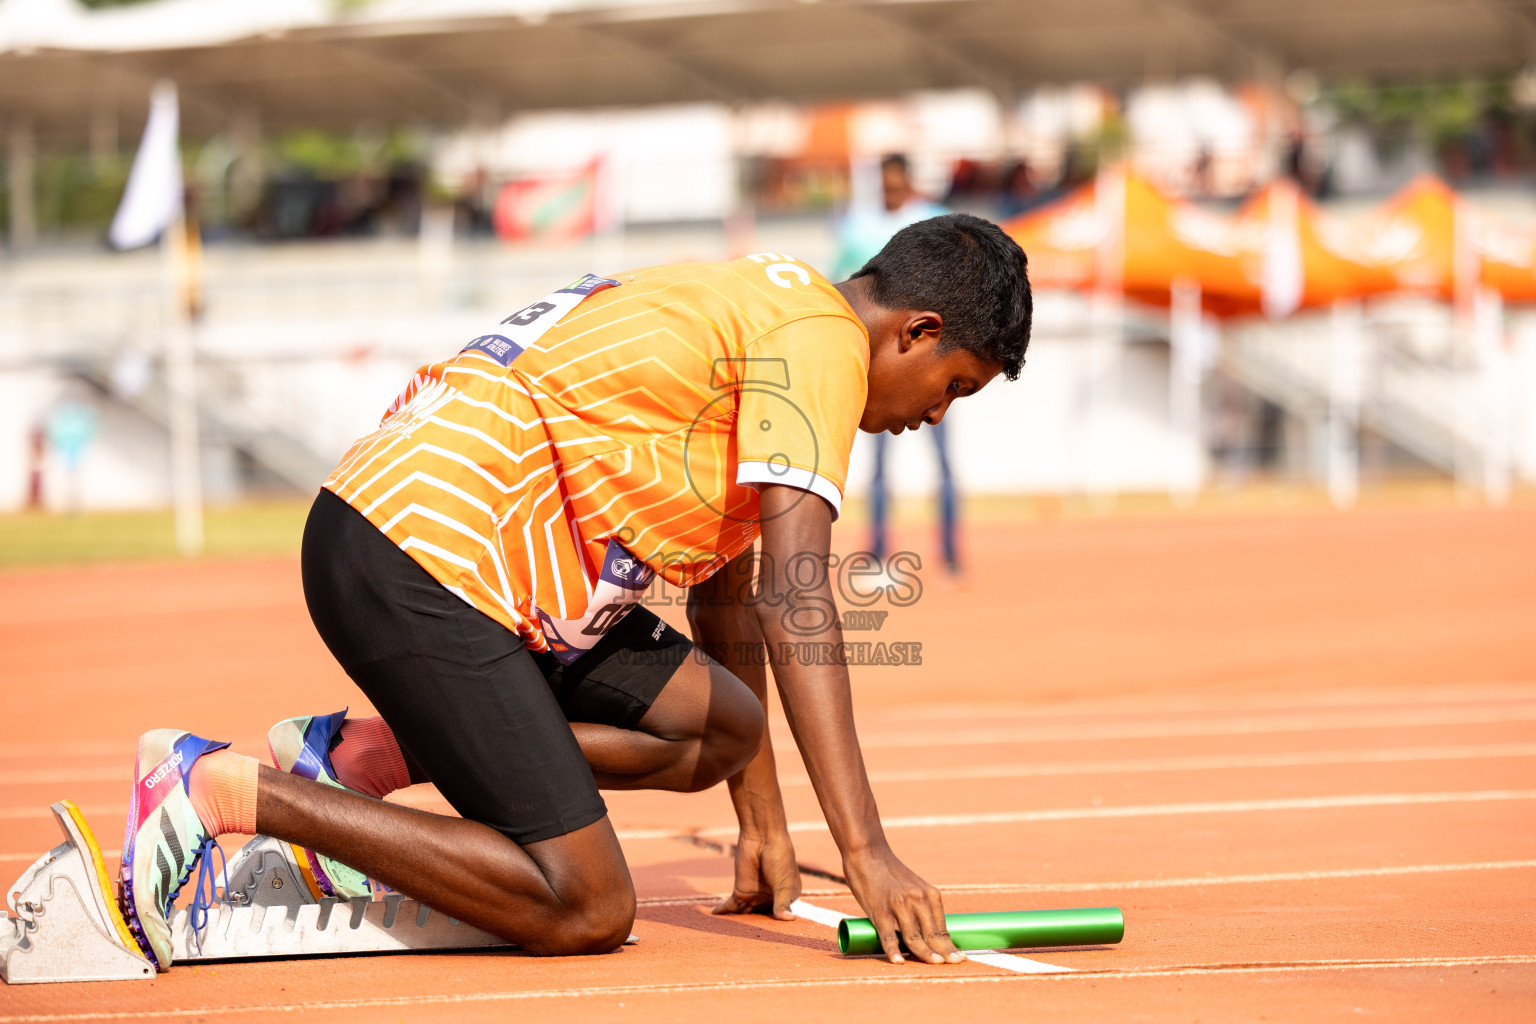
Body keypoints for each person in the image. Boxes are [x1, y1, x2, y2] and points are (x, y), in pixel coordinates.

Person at [118, 214, 1032, 973]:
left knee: (723, 726)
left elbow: (729, 596)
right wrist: (866, 854)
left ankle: (358, 760)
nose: (934, 416)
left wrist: (764, 826)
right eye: (953, 386)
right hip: (422, 555)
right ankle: (215, 789)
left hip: (432, 548)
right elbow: (800, 602)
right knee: (584, 904)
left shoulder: (765, 303)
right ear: (914, 329)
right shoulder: (821, 347)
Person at [833, 154, 962, 574]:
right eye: (884, 185)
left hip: (933, 363)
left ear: (907, 183)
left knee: (941, 462)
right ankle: (879, 547)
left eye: (896, 185)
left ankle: (949, 551)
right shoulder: (857, 225)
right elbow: (844, 284)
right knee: (878, 466)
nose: (890, 192)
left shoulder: (934, 221)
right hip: (883, 366)